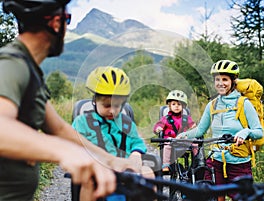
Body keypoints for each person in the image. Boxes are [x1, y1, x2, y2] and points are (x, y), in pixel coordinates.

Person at [0, 1, 137, 200]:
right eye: (68, 20)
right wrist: (64, 151)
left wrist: (110, 160)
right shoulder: (13, 64)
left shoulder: (30, 71)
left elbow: (59, 130)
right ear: (57, 22)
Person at [177, 60, 263, 201]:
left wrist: (245, 132)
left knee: (242, 198)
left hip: (239, 163)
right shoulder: (212, 105)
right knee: (215, 197)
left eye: (225, 79)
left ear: (233, 81)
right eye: (217, 79)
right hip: (216, 160)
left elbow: (258, 131)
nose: (220, 83)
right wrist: (182, 136)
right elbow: (200, 131)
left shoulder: (244, 104)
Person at [72, 66, 154, 201]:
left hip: (125, 168)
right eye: (106, 106)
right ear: (94, 101)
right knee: (89, 181)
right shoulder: (82, 122)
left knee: (148, 173)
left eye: (117, 106)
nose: (112, 111)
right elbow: (74, 145)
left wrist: (135, 154)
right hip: (96, 168)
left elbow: (137, 142)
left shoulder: (126, 124)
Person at [153, 90, 196, 171]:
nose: (176, 106)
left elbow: (192, 124)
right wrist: (158, 128)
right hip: (171, 140)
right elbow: (158, 125)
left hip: (183, 140)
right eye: (174, 104)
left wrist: (194, 127)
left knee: (196, 143)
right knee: (167, 144)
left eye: (179, 104)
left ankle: (197, 161)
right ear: (169, 106)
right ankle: (166, 164)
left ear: (183, 106)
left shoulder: (186, 118)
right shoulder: (166, 118)